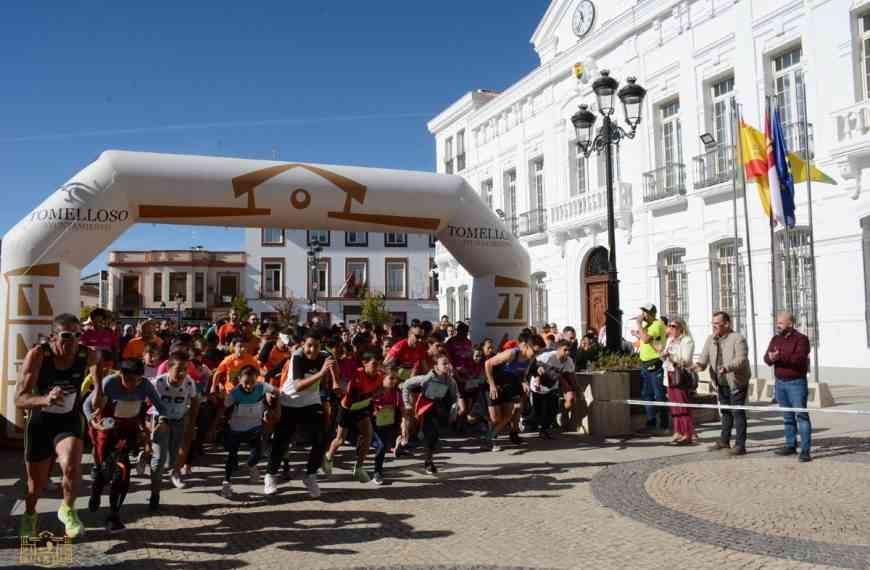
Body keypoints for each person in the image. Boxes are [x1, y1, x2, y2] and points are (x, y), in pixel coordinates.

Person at [16, 314, 103, 539]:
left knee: (72, 466)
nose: (72, 341)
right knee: (37, 485)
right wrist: (45, 399)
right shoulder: (38, 355)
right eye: (66, 336)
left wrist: (98, 396)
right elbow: (20, 399)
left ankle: (67, 509)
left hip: (68, 421)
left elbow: (97, 381)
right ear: (53, 337)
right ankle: (29, 514)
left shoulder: (87, 353)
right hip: (41, 422)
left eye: (77, 335)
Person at [84, 358, 166, 531]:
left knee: (122, 474)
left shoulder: (145, 385)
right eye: (127, 380)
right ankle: (96, 490)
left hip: (128, 431)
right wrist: (93, 421)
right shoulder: (109, 383)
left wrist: (162, 420)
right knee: (104, 472)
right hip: (106, 431)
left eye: (136, 380)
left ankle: (114, 515)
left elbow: (160, 406)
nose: (131, 385)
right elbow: (86, 405)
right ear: (120, 374)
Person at [265, 332, 336, 498]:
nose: (312, 350)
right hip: (289, 402)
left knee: (322, 437)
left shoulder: (325, 355)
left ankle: (310, 476)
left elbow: (333, 366)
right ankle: (270, 475)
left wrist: (335, 381)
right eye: (309, 345)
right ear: (303, 345)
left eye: (316, 346)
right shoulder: (297, 357)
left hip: (311, 403)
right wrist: (321, 373)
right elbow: (297, 386)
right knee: (281, 442)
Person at [693, 311, 751, 455]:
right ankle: (724, 441)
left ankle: (740, 445)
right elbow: (703, 359)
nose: (714, 327)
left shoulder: (738, 339)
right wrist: (697, 366)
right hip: (720, 382)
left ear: (726, 324)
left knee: (737, 413)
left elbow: (741, 360)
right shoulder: (710, 339)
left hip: (736, 381)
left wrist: (727, 368)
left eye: (717, 324)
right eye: (712, 324)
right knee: (725, 412)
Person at [148, 351, 200, 508]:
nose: (183, 373)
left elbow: (195, 401)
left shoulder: (189, 383)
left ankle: (173, 472)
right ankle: (154, 493)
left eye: (186, 369)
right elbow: (147, 404)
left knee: (172, 458)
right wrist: (150, 426)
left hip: (179, 421)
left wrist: (191, 424)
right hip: (160, 421)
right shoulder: (158, 382)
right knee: (159, 459)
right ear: (168, 369)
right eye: (179, 369)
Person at [323, 351, 383, 483]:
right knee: (340, 440)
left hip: (362, 408)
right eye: (374, 364)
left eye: (378, 364)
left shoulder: (379, 376)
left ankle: (359, 467)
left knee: (368, 435)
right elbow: (353, 398)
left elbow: (379, 392)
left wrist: (375, 399)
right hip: (347, 409)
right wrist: (372, 394)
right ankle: (328, 457)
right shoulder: (357, 375)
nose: (376, 367)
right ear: (364, 363)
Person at [483, 332, 546, 451]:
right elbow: (488, 363)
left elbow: (522, 374)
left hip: (508, 387)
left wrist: (524, 382)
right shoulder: (511, 353)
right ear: (527, 346)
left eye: (539, 352)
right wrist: (492, 385)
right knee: (496, 418)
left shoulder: (530, 359)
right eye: (535, 351)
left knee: (508, 415)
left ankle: (489, 438)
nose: (536, 355)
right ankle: (483, 426)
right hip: (494, 386)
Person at [222, 365, 277, 498]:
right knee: (232, 458)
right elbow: (224, 407)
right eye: (246, 383)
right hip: (236, 429)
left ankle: (251, 466)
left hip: (255, 427)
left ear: (256, 380)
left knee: (258, 453)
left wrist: (270, 405)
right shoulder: (234, 393)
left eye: (252, 382)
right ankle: (226, 484)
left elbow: (277, 391)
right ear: (239, 379)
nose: (249, 386)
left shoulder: (261, 386)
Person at [765, 312, 813, 462]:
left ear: (790, 324)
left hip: (796, 383)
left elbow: (799, 359)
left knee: (801, 416)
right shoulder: (775, 339)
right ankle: (790, 444)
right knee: (787, 417)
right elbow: (766, 358)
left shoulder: (801, 339)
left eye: (780, 322)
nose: (777, 325)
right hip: (780, 382)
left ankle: (805, 450)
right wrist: (770, 358)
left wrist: (780, 356)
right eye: (777, 322)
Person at [401, 355, 458, 474]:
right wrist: (407, 403)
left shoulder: (451, 381)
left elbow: (454, 397)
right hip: (426, 409)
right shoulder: (427, 378)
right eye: (444, 364)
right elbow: (406, 384)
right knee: (428, 435)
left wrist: (454, 408)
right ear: (436, 366)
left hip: (440, 410)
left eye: (448, 363)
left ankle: (427, 458)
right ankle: (426, 460)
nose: (447, 366)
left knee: (434, 437)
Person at [529, 340, 576, 439]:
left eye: (569, 350)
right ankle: (529, 422)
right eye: (565, 350)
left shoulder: (569, 361)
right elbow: (533, 365)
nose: (567, 352)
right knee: (537, 411)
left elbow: (570, 375)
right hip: (538, 386)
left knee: (553, 409)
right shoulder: (548, 356)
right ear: (558, 349)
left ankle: (544, 430)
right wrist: (537, 376)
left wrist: (575, 388)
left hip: (552, 387)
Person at [633, 304, 668, 433]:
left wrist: (638, 324)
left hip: (656, 363)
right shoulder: (647, 326)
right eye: (642, 312)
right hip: (645, 364)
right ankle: (651, 422)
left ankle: (664, 424)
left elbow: (647, 339)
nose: (642, 315)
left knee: (659, 394)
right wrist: (639, 332)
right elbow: (644, 338)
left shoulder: (657, 325)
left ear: (650, 313)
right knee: (646, 394)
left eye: (644, 312)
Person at [661, 318, 696, 445]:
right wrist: (663, 355)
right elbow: (665, 357)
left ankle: (687, 433)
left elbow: (686, 360)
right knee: (674, 405)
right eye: (670, 325)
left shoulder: (687, 341)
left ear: (681, 327)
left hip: (681, 376)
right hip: (669, 374)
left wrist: (670, 356)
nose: (671, 328)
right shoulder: (670, 340)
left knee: (683, 404)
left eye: (674, 326)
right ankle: (678, 431)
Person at [371, 369, 403, 484]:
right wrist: (374, 410)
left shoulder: (396, 393)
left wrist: (402, 428)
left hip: (387, 424)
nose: (393, 381)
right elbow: (367, 404)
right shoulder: (375, 391)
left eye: (395, 379)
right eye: (390, 378)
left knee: (382, 446)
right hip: (373, 424)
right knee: (381, 445)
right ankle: (375, 471)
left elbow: (401, 409)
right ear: (382, 379)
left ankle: (377, 472)